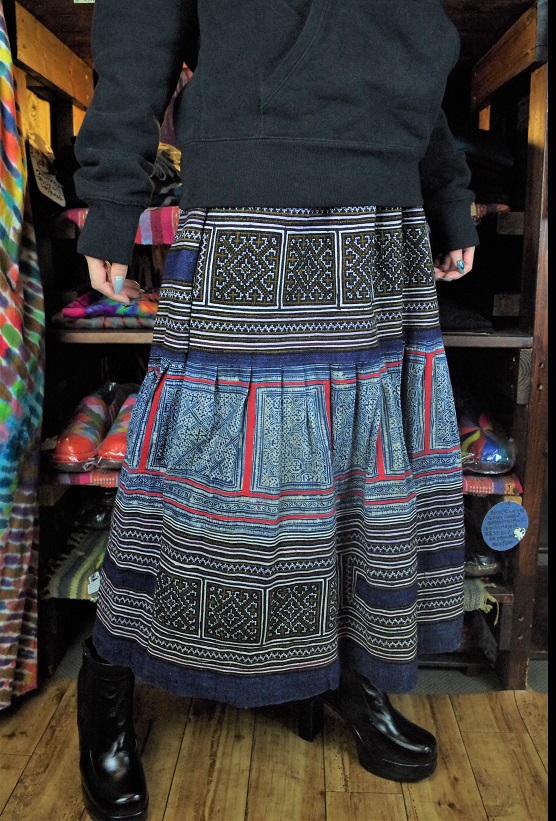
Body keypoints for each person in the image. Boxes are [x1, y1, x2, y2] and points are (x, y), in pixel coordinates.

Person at [72, 1, 478, 819]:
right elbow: (142, 21)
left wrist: (447, 188)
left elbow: (409, 40)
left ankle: (352, 676)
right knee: (194, 465)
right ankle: (107, 679)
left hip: (387, 210)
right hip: (255, 185)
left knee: (362, 470)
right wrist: (112, 196)